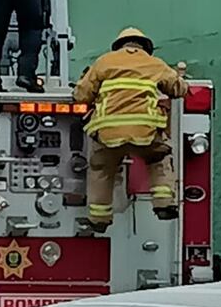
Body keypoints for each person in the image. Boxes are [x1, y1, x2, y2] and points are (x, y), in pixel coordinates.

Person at [72, 28, 189, 233]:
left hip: (107, 133)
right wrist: (181, 78)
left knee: (102, 169)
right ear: (144, 46)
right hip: (145, 131)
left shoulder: (104, 62)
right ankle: (163, 203)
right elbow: (178, 90)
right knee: (158, 158)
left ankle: (99, 219)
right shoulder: (155, 63)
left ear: (120, 45)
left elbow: (81, 95)